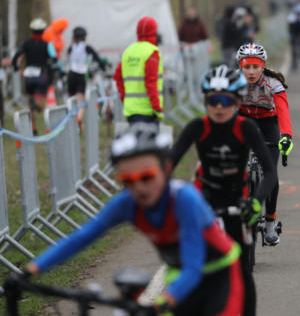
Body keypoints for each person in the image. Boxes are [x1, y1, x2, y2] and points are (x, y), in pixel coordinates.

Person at [24, 123, 244, 315]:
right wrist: (32, 269)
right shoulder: (127, 203)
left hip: (220, 275)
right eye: (127, 180)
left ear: (166, 169)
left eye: (147, 177)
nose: (139, 187)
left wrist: (160, 304)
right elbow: (82, 237)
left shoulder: (185, 200)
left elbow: (193, 268)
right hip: (179, 276)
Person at [170, 64, 277, 316]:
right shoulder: (197, 126)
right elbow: (168, 164)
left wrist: (255, 202)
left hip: (236, 202)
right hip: (203, 199)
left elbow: (270, 172)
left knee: (241, 269)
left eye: (225, 100)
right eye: (212, 100)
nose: (218, 106)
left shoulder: (245, 127)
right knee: (190, 266)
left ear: (238, 101)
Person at [236, 43, 293, 246]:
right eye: (246, 67)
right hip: (245, 122)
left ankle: (270, 220)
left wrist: (286, 136)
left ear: (263, 67)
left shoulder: (273, 84)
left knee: (271, 174)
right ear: (240, 67)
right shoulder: (234, 84)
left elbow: (283, 112)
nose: (251, 72)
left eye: (255, 67)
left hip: (269, 124)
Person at [113, 16, 164, 126]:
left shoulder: (128, 50)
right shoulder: (152, 52)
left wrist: (125, 98)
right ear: (154, 31)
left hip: (131, 110)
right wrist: (157, 107)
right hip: (148, 111)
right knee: (149, 143)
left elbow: (117, 76)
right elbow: (151, 82)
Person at [11, 18, 58, 135]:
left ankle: (34, 128)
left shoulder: (26, 44)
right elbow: (54, 59)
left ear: (32, 31)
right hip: (41, 76)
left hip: (28, 76)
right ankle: (35, 104)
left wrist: (16, 68)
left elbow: (16, 56)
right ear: (43, 31)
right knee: (40, 107)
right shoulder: (47, 45)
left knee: (30, 103)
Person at [67, 26, 106, 131]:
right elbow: (97, 59)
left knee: (71, 100)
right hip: (81, 75)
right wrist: (104, 67)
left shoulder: (71, 48)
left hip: (70, 75)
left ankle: (72, 121)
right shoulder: (86, 47)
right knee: (81, 101)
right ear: (84, 37)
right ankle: (78, 118)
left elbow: (69, 58)